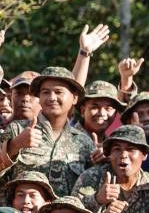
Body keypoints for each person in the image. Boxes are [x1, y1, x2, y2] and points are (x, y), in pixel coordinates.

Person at [2, 67, 95, 196]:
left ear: (74, 98)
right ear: (39, 97)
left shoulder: (84, 142)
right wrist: (14, 145)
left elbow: (90, 191)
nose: (52, 98)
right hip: (24, 209)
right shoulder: (17, 130)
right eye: (45, 92)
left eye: (58, 92)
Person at [73, 124, 149, 213]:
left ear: (144, 154)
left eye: (131, 149)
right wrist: (97, 199)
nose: (123, 155)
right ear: (109, 155)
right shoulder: (91, 177)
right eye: (117, 149)